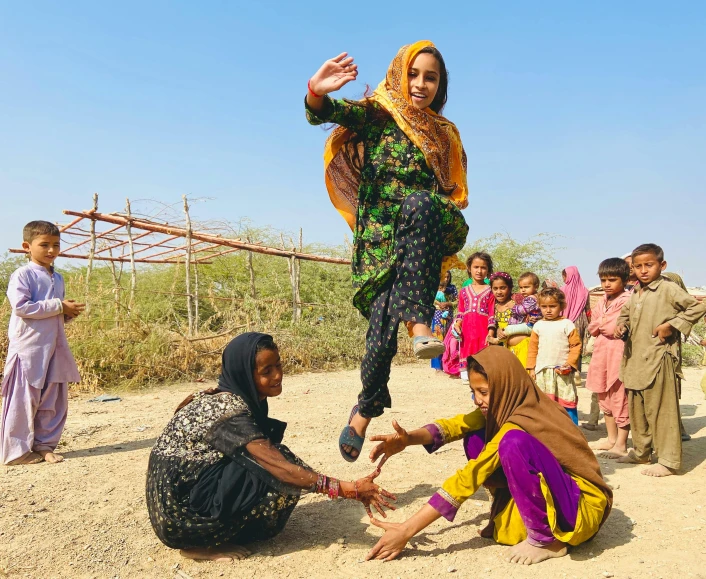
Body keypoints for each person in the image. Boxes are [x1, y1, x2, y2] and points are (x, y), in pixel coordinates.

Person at [304, 42, 469, 461]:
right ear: (399, 75)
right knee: (379, 340)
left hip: (426, 234)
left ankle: (418, 323)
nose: (420, 84)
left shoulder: (444, 133)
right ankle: (363, 411)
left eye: (430, 77)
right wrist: (316, 91)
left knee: (419, 201)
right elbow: (328, 113)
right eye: (413, 74)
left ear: (440, 84)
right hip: (380, 245)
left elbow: (452, 190)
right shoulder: (381, 115)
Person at [146, 333, 396, 562]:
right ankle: (198, 544)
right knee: (275, 470)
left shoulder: (225, 395)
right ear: (244, 373)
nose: (277, 375)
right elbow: (280, 467)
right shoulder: (227, 410)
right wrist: (349, 489)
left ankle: (211, 530)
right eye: (267, 370)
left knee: (271, 463)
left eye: (278, 365)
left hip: (179, 498)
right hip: (179, 514)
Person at [364, 346, 612, 565]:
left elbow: (468, 478)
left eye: (484, 391)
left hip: (578, 508)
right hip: (557, 493)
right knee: (474, 435)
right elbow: (455, 425)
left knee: (511, 444)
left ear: (506, 386)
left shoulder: (520, 421)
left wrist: (407, 530)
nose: (478, 400)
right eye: (474, 392)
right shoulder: (506, 405)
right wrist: (409, 439)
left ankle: (547, 541)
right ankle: (516, 512)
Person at [614, 244, 706, 477]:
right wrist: (621, 326)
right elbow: (625, 314)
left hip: (658, 356)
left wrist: (671, 325)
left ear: (661, 265)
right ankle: (642, 453)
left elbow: (696, 307)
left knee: (662, 411)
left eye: (649, 265)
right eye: (639, 266)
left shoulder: (667, 288)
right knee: (638, 409)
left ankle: (668, 461)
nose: (643, 270)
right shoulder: (636, 291)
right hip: (635, 359)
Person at [0, 221, 84, 466]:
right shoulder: (22, 275)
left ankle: (44, 445)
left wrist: (66, 314)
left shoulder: (57, 277)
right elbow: (22, 307)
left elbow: (48, 314)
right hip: (29, 348)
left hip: (54, 347)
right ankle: (16, 452)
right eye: (44, 245)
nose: (51, 250)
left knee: (52, 399)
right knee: (23, 399)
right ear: (27, 246)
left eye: (56, 245)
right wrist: (59, 306)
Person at [585, 258, 631, 457]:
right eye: (604, 280)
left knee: (619, 396)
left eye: (612, 280)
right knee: (603, 395)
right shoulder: (603, 301)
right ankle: (611, 438)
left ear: (624, 279)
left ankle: (621, 443)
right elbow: (592, 326)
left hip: (618, 354)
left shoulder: (627, 300)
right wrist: (602, 324)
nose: (607, 284)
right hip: (601, 354)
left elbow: (613, 329)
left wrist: (601, 324)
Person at [526, 288, 582, 424]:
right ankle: (548, 430)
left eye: (552, 306)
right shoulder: (538, 325)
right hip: (542, 372)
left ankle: (572, 431)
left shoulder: (567, 324)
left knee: (566, 401)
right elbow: (532, 349)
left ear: (561, 306)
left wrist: (569, 363)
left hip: (562, 371)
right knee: (544, 403)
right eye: (544, 307)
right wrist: (531, 369)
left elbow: (576, 346)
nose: (548, 310)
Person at [454, 252, 494, 386]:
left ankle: (482, 374)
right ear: (469, 268)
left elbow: (491, 312)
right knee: (467, 347)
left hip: (483, 327)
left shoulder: (490, 291)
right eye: (476, 267)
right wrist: (458, 324)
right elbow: (460, 310)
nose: (479, 271)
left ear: (488, 270)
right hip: (467, 328)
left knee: (483, 349)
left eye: (483, 267)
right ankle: (466, 373)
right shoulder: (464, 291)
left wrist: (491, 332)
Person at [500, 272, 542, 367]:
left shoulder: (531, 299)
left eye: (526, 287)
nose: (523, 290)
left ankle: (497, 340)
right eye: (521, 287)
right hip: (530, 325)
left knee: (508, 330)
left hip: (531, 326)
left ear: (536, 286)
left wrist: (513, 307)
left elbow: (523, 310)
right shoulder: (534, 298)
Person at [560, 266, 591, 382]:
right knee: (578, 346)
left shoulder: (562, 290)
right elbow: (588, 309)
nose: (564, 279)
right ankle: (577, 371)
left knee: (566, 346)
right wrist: (590, 323)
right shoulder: (584, 290)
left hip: (565, 320)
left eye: (564, 276)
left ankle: (569, 370)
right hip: (580, 320)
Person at [430, 271, 458, 372]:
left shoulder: (452, 288)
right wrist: (438, 304)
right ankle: (437, 367)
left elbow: (457, 301)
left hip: (449, 317)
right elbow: (430, 299)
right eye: (444, 277)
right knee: (438, 340)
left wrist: (448, 303)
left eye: (448, 277)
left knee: (449, 340)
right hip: (437, 317)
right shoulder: (435, 286)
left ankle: (448, 365)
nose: (446, 279)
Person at [487, 272, 514, 346]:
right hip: (500, 347)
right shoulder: (493, 306)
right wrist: (498, 330)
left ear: (510, 288)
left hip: (515, 343)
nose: (499, 292)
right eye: (495, 288)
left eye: (502, 288)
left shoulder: (515, 304)